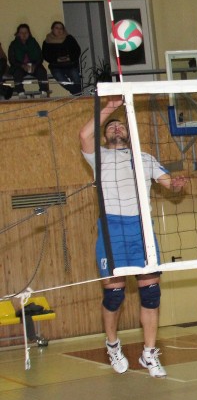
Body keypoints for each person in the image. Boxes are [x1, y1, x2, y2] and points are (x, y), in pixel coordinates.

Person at [79, 97, 187, 378]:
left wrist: (176, 184)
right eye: (111, 127)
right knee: (114, 295)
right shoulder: (98, 156)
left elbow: (170, 184)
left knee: (151, 293)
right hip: (112, 228)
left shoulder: (144, 158)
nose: (116, 128)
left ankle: (149, 352)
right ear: (105, 136)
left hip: (141, 228)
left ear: (128, 133)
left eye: (120, 126)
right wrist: (110, 107)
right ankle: (113, 345)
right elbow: (84, 134)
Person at [8, 23, 49, 98]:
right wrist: (22, 66)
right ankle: (21, 93)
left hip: (34, 65)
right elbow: (12, 60)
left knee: (42, 71)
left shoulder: (33, 42)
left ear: (29, 33)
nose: (24, 34)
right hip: (19, 66)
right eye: (21, 32)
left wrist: (35, 65)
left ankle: (44, 92)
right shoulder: (13, 44)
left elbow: (40, 57)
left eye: (26, 32)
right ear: (18, 34)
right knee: (17, 73)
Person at [42, 21, 82, 95]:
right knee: (61, 80)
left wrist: (69, 58)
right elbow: (46, 55)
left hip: (71, 64)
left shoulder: (69, 38)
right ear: (52, 29)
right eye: (57, 28)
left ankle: (78, 93)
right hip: (56, 66)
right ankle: (77, 93)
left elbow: (77, 51)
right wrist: (56, 59)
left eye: (61, 28)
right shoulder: (47, 41)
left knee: (76, 78)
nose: (59, 30)